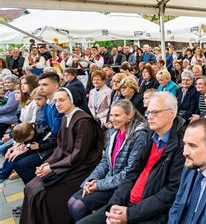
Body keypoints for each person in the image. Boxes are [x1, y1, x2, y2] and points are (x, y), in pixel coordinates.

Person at [77, 91, 185, 224]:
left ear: (171, 114)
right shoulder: (149, 137)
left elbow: (170, 192)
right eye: (148, 112)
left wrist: (129, 214)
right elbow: (131, 173)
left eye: (155, 112)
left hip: (149, 213)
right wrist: (113, 206)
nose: (149, 117)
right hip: (127, 202)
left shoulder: (182, 145)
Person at [20, 87, 104, 224]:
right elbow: (60, 147)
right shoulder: (66, 117)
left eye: (62, 100)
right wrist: (47, 164)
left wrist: (53, 168)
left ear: (72, 100)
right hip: (67, 162)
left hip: (82, 166)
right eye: (56, 100)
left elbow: (79, 154)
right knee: (30, 187)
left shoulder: (83, 121)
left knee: (41, 193)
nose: (58, 104)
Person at [67, 100, 148, 221]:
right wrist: (91, 180)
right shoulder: (112, 133)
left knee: (79, 206)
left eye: (117, 115)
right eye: (111, 115)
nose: (113, 119)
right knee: (71, 202)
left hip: (122, 187)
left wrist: (98, 185)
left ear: (129, 115)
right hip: (107, 182)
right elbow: (104, 162)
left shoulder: (139, 135)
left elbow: (129, 172)